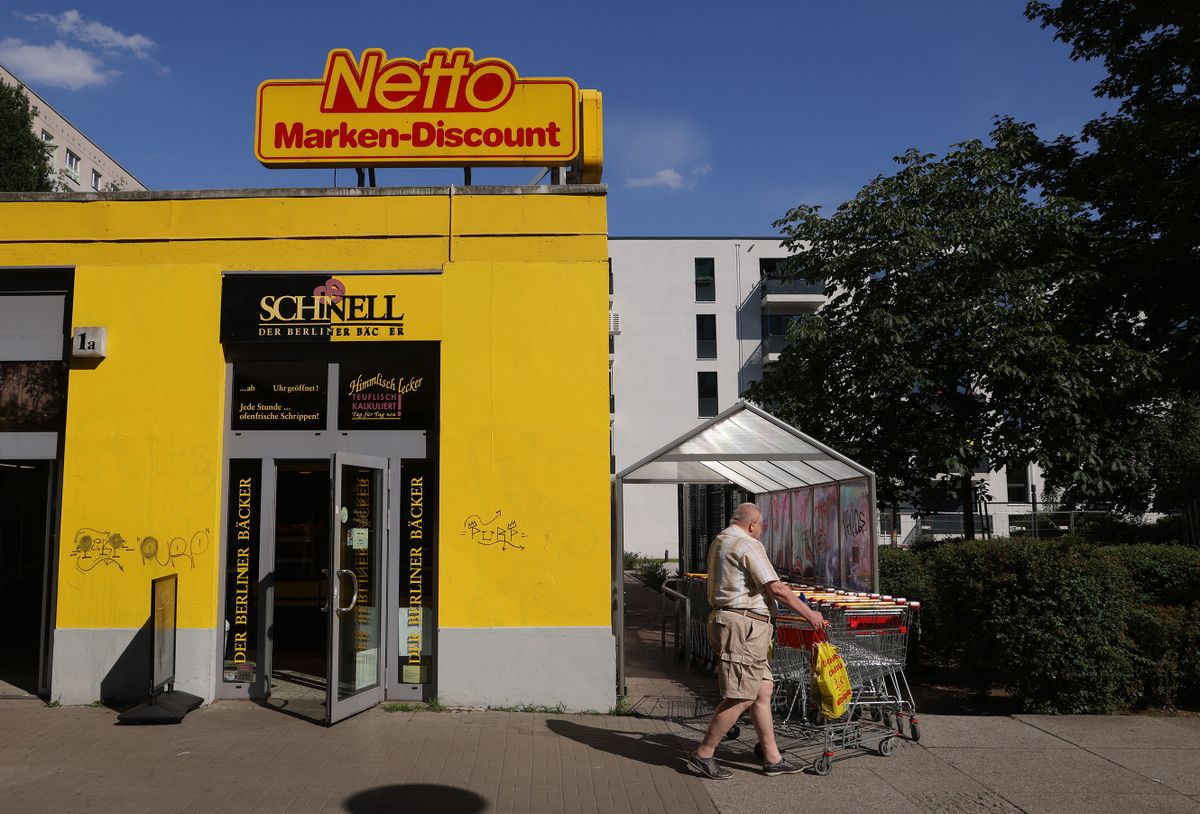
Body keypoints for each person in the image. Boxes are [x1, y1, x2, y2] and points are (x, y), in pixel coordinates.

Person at [687, 502, 829, 779]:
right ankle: (703, 754)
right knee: (741, 695)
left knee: (762, 690)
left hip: (727, 621)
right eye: (760, 526)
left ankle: (772, 757)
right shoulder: (749, 544)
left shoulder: (720, 540)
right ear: (752, 524)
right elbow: (775, 587)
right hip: (745, 626)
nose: (760, 531)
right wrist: (809, 614)